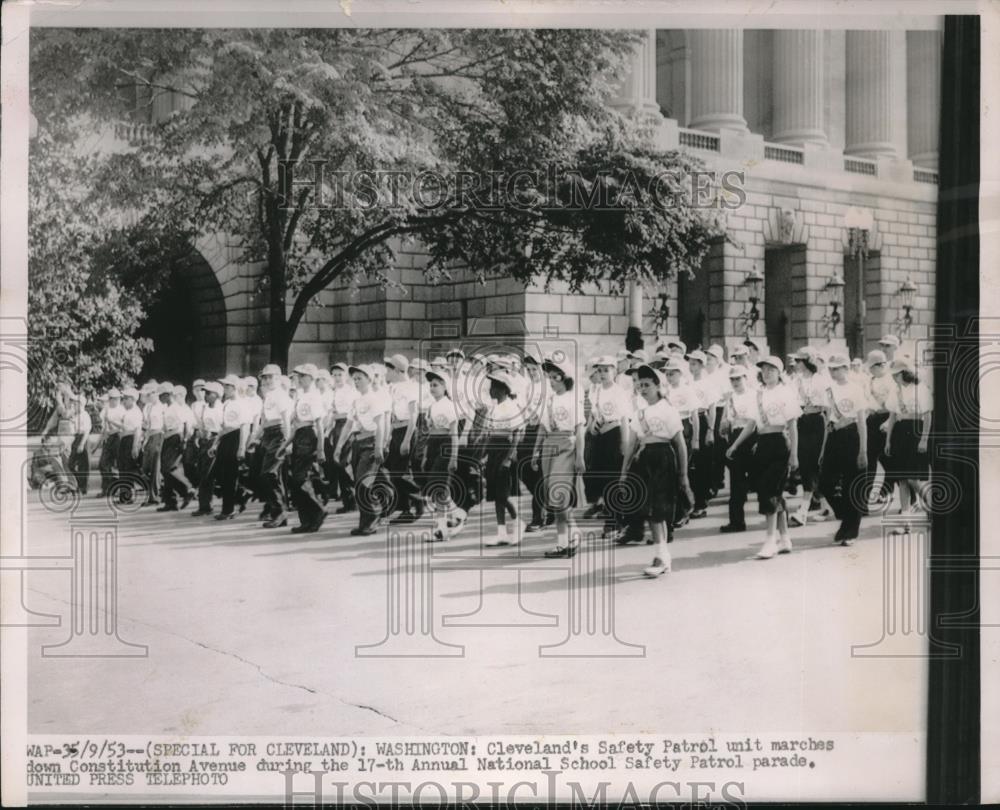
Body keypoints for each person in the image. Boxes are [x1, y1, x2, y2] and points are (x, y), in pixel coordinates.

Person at [621, 365, 693, 578]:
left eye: (647, 385)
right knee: (648, 508)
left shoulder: (667, 409)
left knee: (659, 508)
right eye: (639, 385)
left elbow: (680, 444)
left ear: (657, 386)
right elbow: (632, 444)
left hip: (663, 458)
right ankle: (662, 555)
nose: (642, 389)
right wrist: (624, 471)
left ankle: (662, 556)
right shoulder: (639, 413)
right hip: (645, 460)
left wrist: (684, 475)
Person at [727, 355, 800, 560]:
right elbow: (751, 424)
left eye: (771, 370)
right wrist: (735, 444)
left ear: (779, 373)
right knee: (772, 491)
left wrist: (794, 454)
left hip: (780, 442)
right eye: (764, 370)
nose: (767, 373)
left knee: (769, 490)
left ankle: (770, 541)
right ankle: (784, 538)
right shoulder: (757, 395)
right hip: (763, 443)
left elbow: (793, 425)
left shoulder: (785, 392)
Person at [535, 356, 586, 558]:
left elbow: (579, 429)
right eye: (549, 377)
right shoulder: (550, 400)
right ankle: (568, 538)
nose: (551, 381)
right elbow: (543, 427)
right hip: (550, 446)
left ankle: (566, 541)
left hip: (567, 446)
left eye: (554, 377)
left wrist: (580, 456)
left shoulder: (573, 399)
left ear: (564, 377)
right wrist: (536, 451)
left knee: (559, 494)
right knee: (553, 497)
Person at [818, 354, 869, 545]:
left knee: (852, 484)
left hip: (851, 436)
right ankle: (846, 518)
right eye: (831, 368)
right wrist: (823, 450)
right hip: (833, 437)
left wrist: (863, 450)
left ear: (846, 369)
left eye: (837, 368)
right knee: (825, 483)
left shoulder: (856, 389)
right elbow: (827, 421)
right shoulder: (828, 390)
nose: (833, 372)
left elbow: (862, 420)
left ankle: (851, 531)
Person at [335, 365, 389, 536]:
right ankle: (368, 520)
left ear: (369, 379)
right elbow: (349, 425)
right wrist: (338, 446)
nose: (356, 382)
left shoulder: (374, 399)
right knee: (362, 481)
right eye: (355, 379)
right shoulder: (357, 401)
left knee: (363, 482)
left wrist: (380, 446)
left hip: (372, 442)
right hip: (358, 442)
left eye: (360, 378)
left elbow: (380, 424)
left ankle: (372, 520)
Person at [584, 355, 634, 537]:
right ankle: (611, 519)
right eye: (600, 370)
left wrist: (624, 444)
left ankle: (616, 522)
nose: (603, 374)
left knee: (615, 480)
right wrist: (592, 428)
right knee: (603, 479)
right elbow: (594, 415)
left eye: (607, 370)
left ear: (614, 371)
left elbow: (624, 419)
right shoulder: (596, 390)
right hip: (600, 435)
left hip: (615, 434)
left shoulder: (619, 392)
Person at [278, 363, 327, 533]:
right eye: (298, 376)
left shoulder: (314, 397)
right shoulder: (300, 397)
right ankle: (306, 520)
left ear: (311, 378)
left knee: (301, 479)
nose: (298, 379)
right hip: (299, 436)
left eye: (302, 376)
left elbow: (319, 425)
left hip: (309, 436)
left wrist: (320, 448)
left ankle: (317, 511)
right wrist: (285, 445)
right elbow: (296, 425)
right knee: (296, 481)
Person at [883, 357, 933, 518]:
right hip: (900, 431)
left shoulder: (920, 388)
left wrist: (924, 439)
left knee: (913, 479)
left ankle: (932, 506)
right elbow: (892, 416)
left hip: (916, 431)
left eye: (896, 375)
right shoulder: (895, 391)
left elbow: (928, 415)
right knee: (902, 479)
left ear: (905, 373)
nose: (893, 378)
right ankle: (906, 520)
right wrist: (888, 440)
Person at [789, 347, 831, 528]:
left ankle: (804, 510)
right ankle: (825, 505)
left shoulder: (820, 380)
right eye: (796, 361)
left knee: (813, 463)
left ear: (807, 362)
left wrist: (829, 426)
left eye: (799, 361)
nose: (796, 364)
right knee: (806, 464)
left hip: (817, 422)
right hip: (802, 421)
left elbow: (828, 407)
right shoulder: (795, 381)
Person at [483, 370, 525, 547]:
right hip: (494, 450)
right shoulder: (494, 408)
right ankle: (501, 532)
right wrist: (484, 455)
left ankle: (518, 522)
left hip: (505, 451)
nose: (490, 390)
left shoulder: (511, 407)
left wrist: (509, 457)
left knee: (504, 494)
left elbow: (518, 433)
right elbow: (490, 433)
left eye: (494, 386)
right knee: (495, 495)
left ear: (503, 389)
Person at [421, 368, 461, 542]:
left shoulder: (449, 405)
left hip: (445, 445)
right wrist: (425, 454)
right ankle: (457, 514)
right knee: (438, 489)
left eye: (436, 385)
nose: (432, 388)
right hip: (433, 445)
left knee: (439, 487)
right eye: (430, 385)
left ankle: (442, 529)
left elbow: (454, 434)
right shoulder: (432, 406)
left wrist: (453, 456)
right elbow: (429, 432)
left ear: (445, 387)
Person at [720, 365, 759, 533]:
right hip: (736, 435)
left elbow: (753, 421)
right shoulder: (731, 398)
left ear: (746, 378)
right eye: (732, 379)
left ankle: (779, 514)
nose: (735, 382)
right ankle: (736, 521)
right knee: (736, 481)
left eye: (738, 378)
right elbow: (730, 420)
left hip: (751, 436)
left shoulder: (754, 395)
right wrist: (725, 426)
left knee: (759, 478)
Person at [384, 354, 422, 523]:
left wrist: (407, 440)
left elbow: (413, 415)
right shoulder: (394, 387)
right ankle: (406, 507)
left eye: (388, 368)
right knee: (395, 471)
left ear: (396, 370)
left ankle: (417, 501)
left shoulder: (410, 388)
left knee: (401, 472)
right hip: (397, 429)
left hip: (407, 430)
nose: (386, 372)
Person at [255, 364, 292, 527]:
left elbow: (285, 419)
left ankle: (279, 511)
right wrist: (255, 437)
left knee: (270, 473)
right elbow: (264, 420)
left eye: (271, 377)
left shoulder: (280, 395)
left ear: (278, 378)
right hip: (269, 434)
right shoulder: (269, 396)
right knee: (269, 474)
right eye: (265, 377)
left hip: (280, 433)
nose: (268, 380)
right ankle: (278, 512)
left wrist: (288, 440)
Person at [208, 375, 250, 521]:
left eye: (228, 386)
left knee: (229, 475)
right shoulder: (226, 404)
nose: (225, 389)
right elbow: (223, 426)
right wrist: (215, 443)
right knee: (220, 473)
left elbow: (244, 426)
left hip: (236, 437)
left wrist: (242, 447)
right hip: (225, 437)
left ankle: (228, 509)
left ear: (235, 388)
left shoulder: (242, 404)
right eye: (225, 386)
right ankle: (241, 494)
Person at [518, 354, 549, 533]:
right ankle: (545, 506)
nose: (531, 373)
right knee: (523, 469)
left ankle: (538, 516)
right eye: (528, 370)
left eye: (534, 369)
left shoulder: (547, 387)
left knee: (537, 471)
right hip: (529, 429)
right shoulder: (529, 386)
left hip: (543, 430)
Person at [863, 349, 896, 512]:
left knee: (890, 460)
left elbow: (895, 404)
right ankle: (864, 500)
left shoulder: (891, 380)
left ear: (880, 365)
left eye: (872, 367)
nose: (870, 370)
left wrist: (889, 421)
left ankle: (907, 497)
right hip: (873, 420)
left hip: (888, 418)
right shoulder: (870, 380)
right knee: (869, 461)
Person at [687, 350, 717, 518]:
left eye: (694, 364)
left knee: (702, 464)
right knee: (690, 464)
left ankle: (701, 503)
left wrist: (711, 430)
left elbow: (711, 408)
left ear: (701, 365)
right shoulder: (687, 383)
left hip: (702, 420)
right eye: (690, 364)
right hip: (689, 423)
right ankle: (691, 502)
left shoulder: (707, 384)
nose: (691, 367)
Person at [158, 384, 197, 511]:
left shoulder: (176, 407)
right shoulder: (168, 408)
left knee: (167, 468)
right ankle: (170, 501)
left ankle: (187, 489)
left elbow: (184, 424)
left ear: (167, 395)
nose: (160, 397)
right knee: (165, 470)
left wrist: (184, 440)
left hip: (175, 437)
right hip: (168, 437)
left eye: (162, 395)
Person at [327, 362, 359, 514]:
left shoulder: (350, 391)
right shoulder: (334, 391)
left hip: (346, 425)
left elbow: (349, 414)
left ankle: (351, 500)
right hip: (337, 426)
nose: (337, 378)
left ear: (346, 376)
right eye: (334, 375)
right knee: (338, 463)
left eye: (340, 374)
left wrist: (335, 415)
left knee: (344, 463)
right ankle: (348, 499)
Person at [192, 382, 224, 516]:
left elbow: (223, 428)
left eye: (209, 393)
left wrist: (216, 442)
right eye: (205, 393)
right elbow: (201, 424)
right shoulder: (205, 408)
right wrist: (199, 435)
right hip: (204, 441)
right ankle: (203, 504)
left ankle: (207, 505)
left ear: (217, 395)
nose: (206, 395)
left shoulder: (221, 409)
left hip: (215, 441)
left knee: (208, 474)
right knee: (202, 472)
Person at [115, 387, 144, 504]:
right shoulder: (127, 412)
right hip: (124, 439)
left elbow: (137, 430)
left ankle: (128, 495)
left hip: (130, 439)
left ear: (133, 399)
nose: (124, 401)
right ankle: (124, 494)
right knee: (122, 467)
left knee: (128, 468)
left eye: (126, 398)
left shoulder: (136, 412)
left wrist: (135, 446)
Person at [139, 382, 165, 506]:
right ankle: (155, 491)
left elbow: (164, 424)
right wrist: (144, 439)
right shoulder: (147, 407)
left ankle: (154, 496)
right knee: (145, 468)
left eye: (150, 394)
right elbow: (146, 424)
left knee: (155, 467)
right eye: (147, 395)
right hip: (149, 436)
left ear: (156, 394)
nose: (148, 397)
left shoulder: (162, 407)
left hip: (159, 435)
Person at [97, 388, 125, 497]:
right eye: (112, 398)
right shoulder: (106, 410)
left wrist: (113, 428)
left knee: (120, 464)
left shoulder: (122, 410)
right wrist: (104, 436)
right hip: (108, 437)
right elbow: (103, 426)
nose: (115, 400)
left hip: (119, 436)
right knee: (103, 464)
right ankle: (107, 488)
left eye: (117, 398)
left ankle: (120, 488)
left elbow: (124, 426)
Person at [66, 392, 93, 494]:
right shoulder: (74, 416)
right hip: (76, 438)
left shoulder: (85, 415)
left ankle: (83, 486)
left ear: (81, 404)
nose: (73, 405)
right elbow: (72, 431)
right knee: (70, 464)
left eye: (76, 404)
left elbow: (87, 430)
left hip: (84, 439)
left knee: (84, 464)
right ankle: (78, 483)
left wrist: (82, 444)